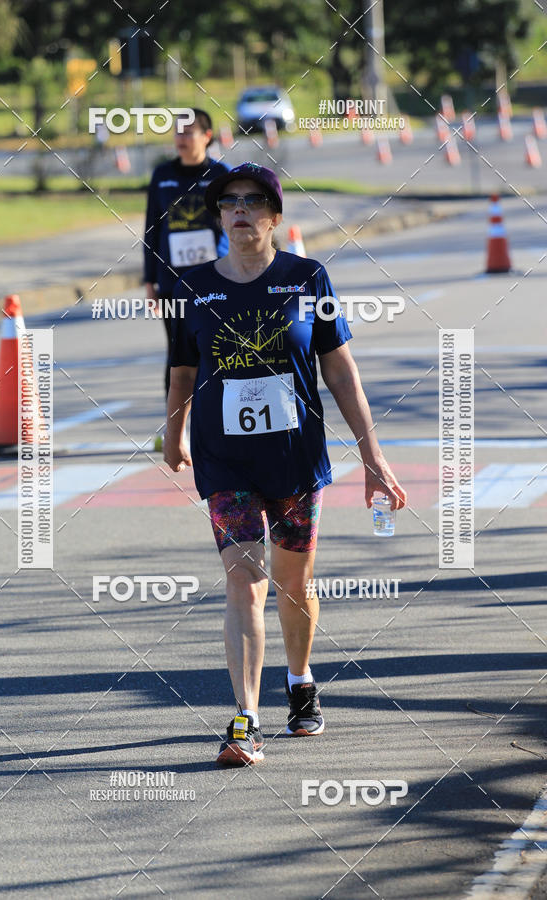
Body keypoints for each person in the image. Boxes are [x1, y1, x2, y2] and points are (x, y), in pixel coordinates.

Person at [164, 162, 407, 766]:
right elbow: (182, 370)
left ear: (274, 217)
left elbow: (340, 371)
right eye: (229, 202)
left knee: (293, 583)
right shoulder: (190, 286)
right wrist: (174, 434)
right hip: (225, 460)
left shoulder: (307, 278)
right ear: (219, 217)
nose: (240, 210)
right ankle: (244, 719)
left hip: (295, 458)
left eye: (253, 201)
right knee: (244, 580)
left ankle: (300, 680)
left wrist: (373, 456)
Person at [143, 108, 229, 398]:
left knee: (216, 347)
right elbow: (152, 229)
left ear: (207, 136)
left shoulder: (220, 175)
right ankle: (176, 421)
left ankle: (217, 413)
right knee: (178, 354)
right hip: (173, 282)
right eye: (177, 132)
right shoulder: (162, 175)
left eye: (188, 132)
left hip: (216, 280)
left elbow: (234, 224)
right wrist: (149, 280)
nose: (180, 138)